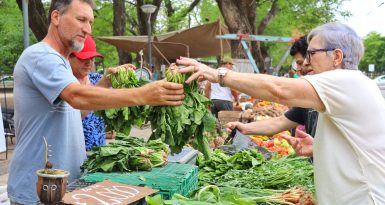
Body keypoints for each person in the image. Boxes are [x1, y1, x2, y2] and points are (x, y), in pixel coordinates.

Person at [177, 22, 385, 204]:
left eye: (312, 54)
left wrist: (217, 74)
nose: (306, 62)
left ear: (336, 56)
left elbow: (278, 89)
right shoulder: (347, 87)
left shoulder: (347, 81)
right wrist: (319, 148)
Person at [8, 0, 184, 204]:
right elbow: (76, 97)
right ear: (56, 17)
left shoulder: (61, 61)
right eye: (81, 19)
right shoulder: (40, 56)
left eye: (90, 22)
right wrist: (143, 94)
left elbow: (78, 111)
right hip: (40, 191)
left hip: (65, 187)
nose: (87, 29)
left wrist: (104, 83)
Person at [225, 36, 318, 148]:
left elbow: (277, 89)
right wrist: (245, 128)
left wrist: (221, 76)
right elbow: (280, 122)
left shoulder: (332, 89)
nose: (298, 69)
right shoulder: (306, 100)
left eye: (300, 62)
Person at [69, 35, 106, 151]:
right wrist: (103, 85)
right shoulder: (66, 85)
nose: (89, 63)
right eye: (83, 58)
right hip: (75, 154)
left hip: (100, 155)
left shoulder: (97, 79)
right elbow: (76, 114)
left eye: (92, 58)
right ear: (68, 57)